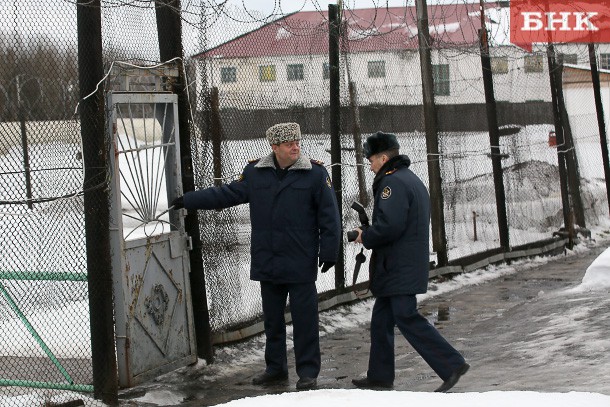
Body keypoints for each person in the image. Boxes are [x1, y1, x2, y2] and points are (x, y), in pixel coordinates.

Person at [172, 122, 341, 391]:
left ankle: (308, 373)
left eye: (297, 142)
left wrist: (330, 251)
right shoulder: (255, 172)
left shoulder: (315, 174)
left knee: (305, 322)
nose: (295, 147)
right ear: (274, 147)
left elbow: (330, 217)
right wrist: (189, 200)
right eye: (289, 144)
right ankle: (275, 369)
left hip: (300, 261)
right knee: (272, 322)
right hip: (268, 260)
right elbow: (226, 194)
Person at [350, 131, 469, 392]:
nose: (368, 164)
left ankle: (451, 364)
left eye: (370, 159)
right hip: (403, 263)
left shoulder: (392, 184)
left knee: (405, 315)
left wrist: (365, 235)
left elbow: (390, 226)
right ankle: (380, 377)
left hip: (398, 265)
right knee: (382, 320)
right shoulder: (409, 179)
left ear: (383, 158)